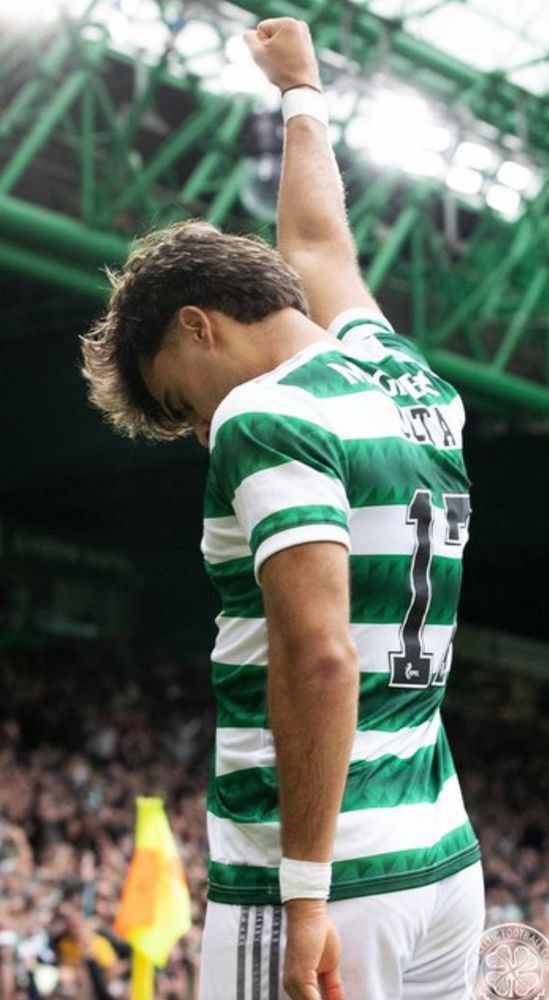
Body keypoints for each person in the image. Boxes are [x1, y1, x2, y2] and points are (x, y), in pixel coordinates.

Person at [79, 17, 485, 1000]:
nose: (204, 426)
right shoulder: (404, 375)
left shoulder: (268, 414)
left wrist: (304, 895)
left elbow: (318, 654)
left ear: (196, 322)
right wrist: (301, 90)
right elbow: (317, 240)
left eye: (182, 397)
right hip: (440, 855)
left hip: (322, 878)